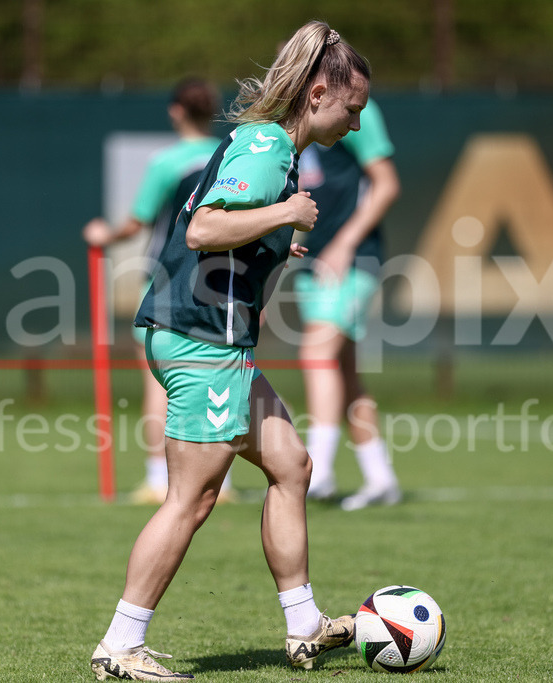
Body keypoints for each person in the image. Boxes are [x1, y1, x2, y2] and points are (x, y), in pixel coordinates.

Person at [89, 21, 371, 680]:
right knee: (192, 498)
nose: (355, 124)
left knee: (291, 464)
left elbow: (223, 233)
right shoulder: (270, 147)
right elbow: (203, 228)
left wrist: (273, 241)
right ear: (319, 93)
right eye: (351, 109)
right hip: (201, 340)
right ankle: (120, 644)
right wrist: (284, 216)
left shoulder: (269, 145)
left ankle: (304, 625)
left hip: (210, 337)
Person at [82, 77, 235, 505]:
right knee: (222, 380)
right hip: (223, 284)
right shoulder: (232, 157)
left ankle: (157, 478)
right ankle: (218, 482)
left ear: (175, 111)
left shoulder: (166, 162)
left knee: (161, 386)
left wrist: (102, 235)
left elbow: (137, 223)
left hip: (168, 283)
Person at [295, 99, 402, 511]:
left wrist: (344, 243)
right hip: (313, 260)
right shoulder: (290, 118)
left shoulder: (356, 110)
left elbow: (386, 183)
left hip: (350, 258)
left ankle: (317, 470)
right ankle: (380, 477)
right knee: (344, 371)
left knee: (316, 352)